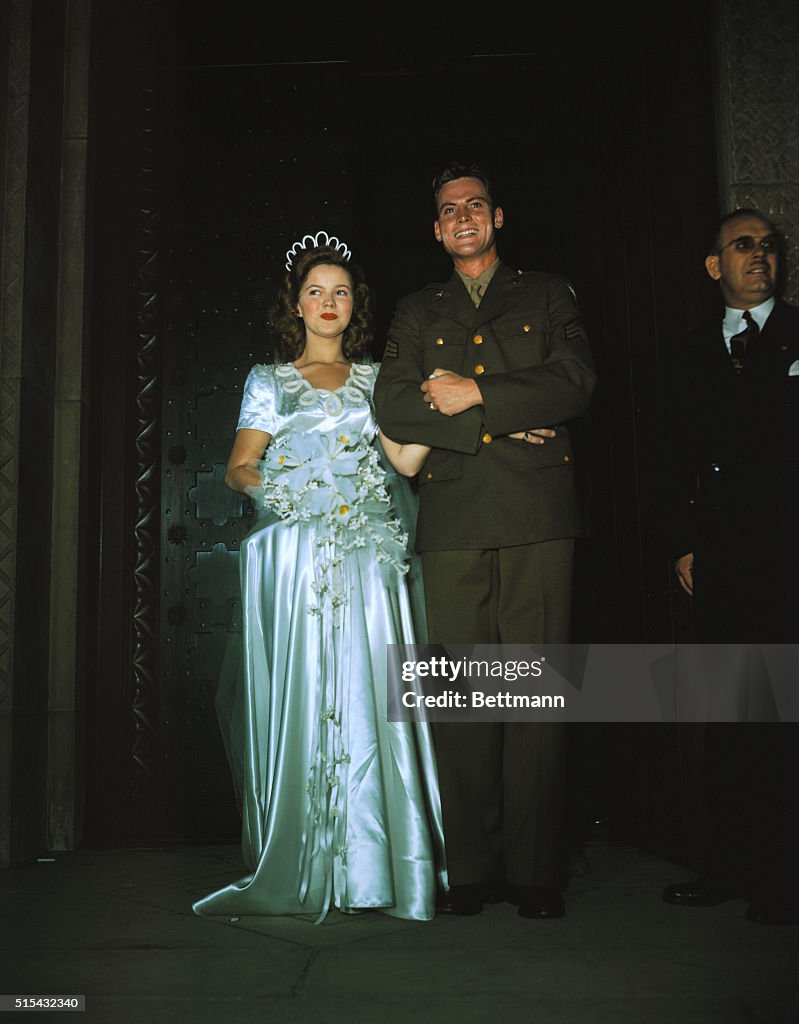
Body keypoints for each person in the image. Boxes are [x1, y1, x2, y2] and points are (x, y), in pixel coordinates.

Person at [193, 235, 446, 923]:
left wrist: (451, 407)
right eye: (315, 291)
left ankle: (379, 863)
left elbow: (406, 461)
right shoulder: (268, 380)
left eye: (340, 292)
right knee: (306, 691)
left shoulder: (376, 379)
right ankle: (305, 855)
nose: (327, 302)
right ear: (296, 305)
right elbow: (240, 468)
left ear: (354, 305)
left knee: (371, 691)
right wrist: (291, 495)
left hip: (367, 552)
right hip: (300, 555)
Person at [373, 162, 596, 918]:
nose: (462, 216)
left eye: (475, 205)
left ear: (497, 218)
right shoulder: (414, 308)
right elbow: (396, 405)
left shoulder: (547, 291)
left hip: (537, 513)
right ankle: (470, 867)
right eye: (448, 210)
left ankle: (533, 872)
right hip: (455, 516)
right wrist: (496, 419)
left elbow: (573, 382)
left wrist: (473, 395)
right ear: (435, 230)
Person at [661, 208, 799, 925]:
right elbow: (673, 453)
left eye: (768, 246)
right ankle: (724, 866)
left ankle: (780, 880)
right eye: (741, 246)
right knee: (725, 717)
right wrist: (683, 541)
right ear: (713, 265)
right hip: (718, 557)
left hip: (788, 555)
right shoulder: (688, 352)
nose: (758, 256)